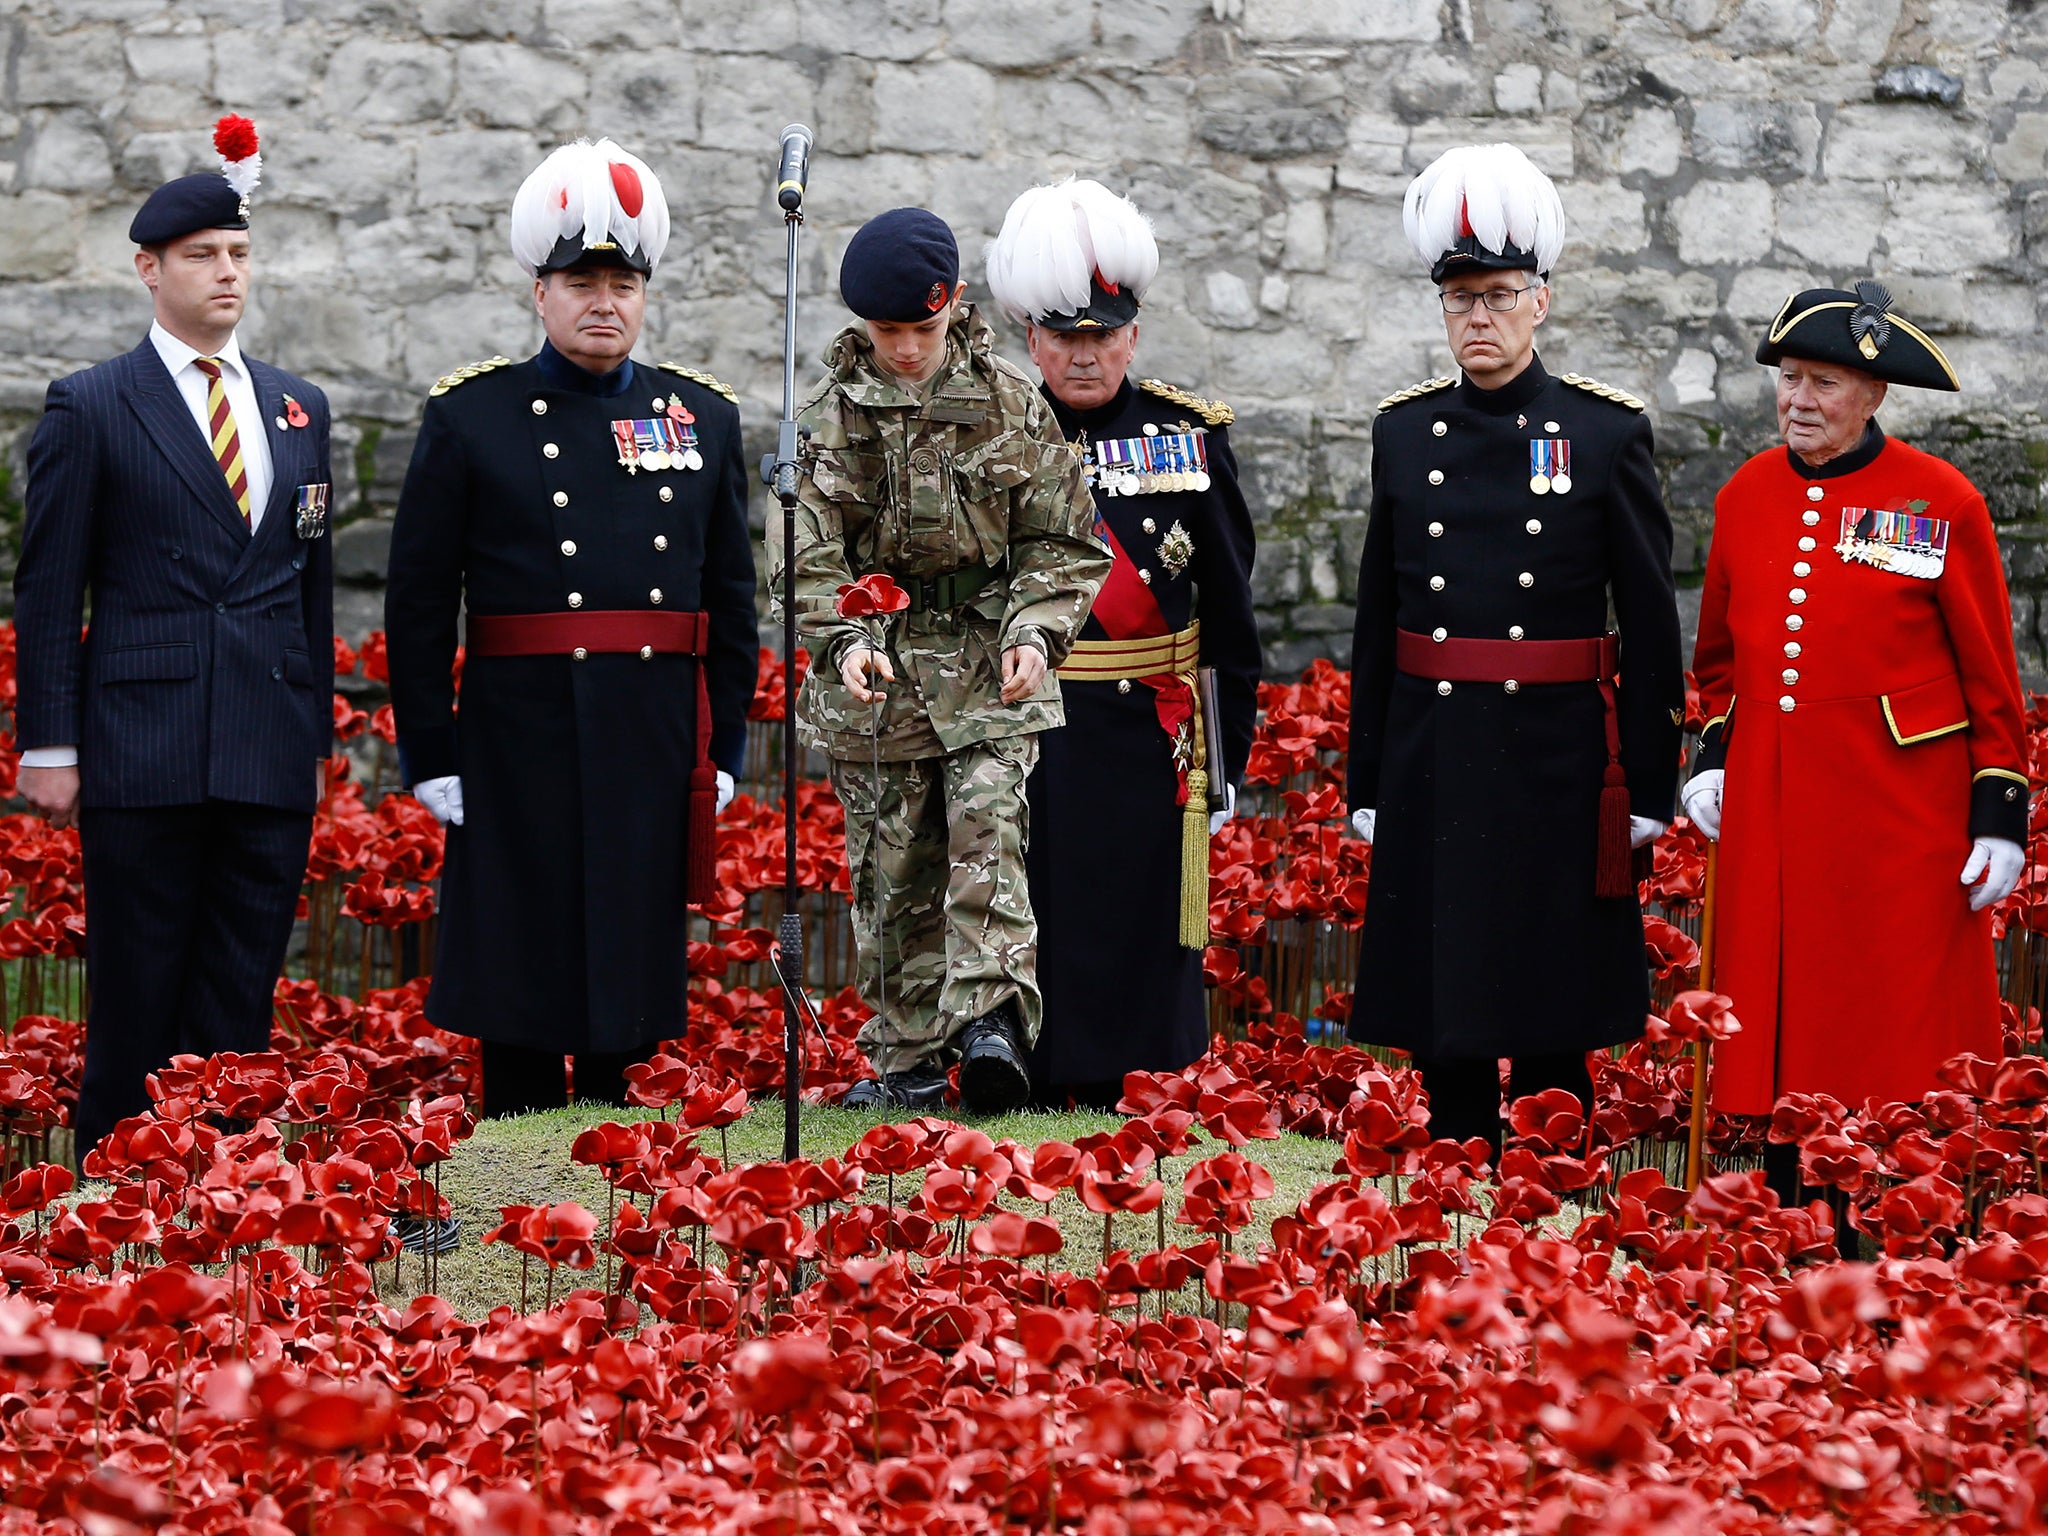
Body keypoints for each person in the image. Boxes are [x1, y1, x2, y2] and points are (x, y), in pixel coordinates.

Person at [385, 139, 759, 1120]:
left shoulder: (702, 418)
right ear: (539, 293)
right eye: (582, 280)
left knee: (632, 958)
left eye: (623, 281)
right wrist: (429, 750)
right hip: (517, 734)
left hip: (649, 733)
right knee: (520, 955)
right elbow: (420, 600)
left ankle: (620, 1161)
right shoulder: (473, 417)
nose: (605, 301)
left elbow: (731, 597)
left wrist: (726, 743)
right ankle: (514, 1135)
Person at [1345, 143, 1684, 1153]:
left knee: (1550, 978)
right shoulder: (1404, 435)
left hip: (1555, 750)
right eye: (1458, 300)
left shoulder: (1602, 434)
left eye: (1497, 296)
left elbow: (1650, 625)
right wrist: (1366, 776)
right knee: (1443, 971)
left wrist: (1651, 787)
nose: (1477, 319)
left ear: (1540, 300)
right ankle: (1455, 1148)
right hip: (1435, 746)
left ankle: (1551, 1148)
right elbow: (1374, 618)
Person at [13, 117, 333, 1158]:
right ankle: (113, 1195)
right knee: (139, 990)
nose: (227, 274)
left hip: (265, 743)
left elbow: (310, 575)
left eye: (239, 254)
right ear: (150, 270)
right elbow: (50, 590)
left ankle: (230, 1191)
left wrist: (315, 732)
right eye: (203, 257)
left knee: (241, 989)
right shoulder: (93, 406)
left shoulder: (296, 407)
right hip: (141, 746)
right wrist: (48, 743)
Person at [1683, 281, 2028, 1206]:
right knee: (1789, 1010)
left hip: (1900, 808)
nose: (1798, 399)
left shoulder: (1940, 501)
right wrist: (1711, 757)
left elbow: (1991, 672)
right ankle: (1796, 1201)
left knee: (1891, 1012)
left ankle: (1911, 1213)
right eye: (1788, 378)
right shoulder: (1744, 494)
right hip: (1779, 803)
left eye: (1823, 382)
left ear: (1873, 395)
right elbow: (1717, 662)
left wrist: (2000, 812)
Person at [771, 207, 1110, 1114]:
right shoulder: (826, 421)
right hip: (877, 668)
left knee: (987, 827)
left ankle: (992, 1025)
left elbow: (1062, 542)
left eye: (922, 329)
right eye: (889, 334)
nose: (908, 350)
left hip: (986, 657)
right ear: (861, 326)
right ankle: (908, 1059)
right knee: (893, 865)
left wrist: (1036, 631)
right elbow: (807, 557)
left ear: (953, 307)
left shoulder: (1008, 400)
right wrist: (844, 640)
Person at [982, 178, 1260, 1108]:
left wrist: (1225, 766)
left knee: (1142, 927)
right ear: (1033, 339)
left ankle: (1139, 1088)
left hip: (1153, 736)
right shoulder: (993, 439)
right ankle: (1027, 1077)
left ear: (1133, 334)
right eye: (1065, 336)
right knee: (1038, 913)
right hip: (1033, 730)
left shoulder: (1187, 438)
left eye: (1104, 334)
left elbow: (1229, 621)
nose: (1085, 353)